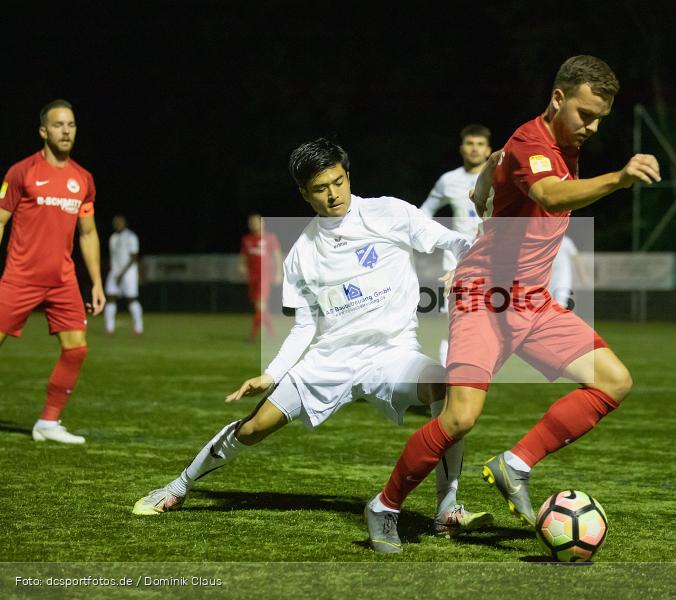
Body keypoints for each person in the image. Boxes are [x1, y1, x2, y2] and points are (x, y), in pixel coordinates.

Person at [363, 55, 661, 552]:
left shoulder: (550, 144)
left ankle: (514, 465)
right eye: (584, 114)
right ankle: (385, 506)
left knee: (614, 380)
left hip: (532, 302)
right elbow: (549, 194)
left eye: (600, 119)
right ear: (558, 98)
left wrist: (486, 184)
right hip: (485, 295)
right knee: (459, 418)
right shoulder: (533, 142)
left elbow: (500, 165)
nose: (591, 126)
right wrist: (619, 179)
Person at [133, 139, 492, 543]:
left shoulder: (389, 212)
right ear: (304, 192)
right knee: (253, 430)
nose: (333, 193)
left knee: (445, 387)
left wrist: (467, 267)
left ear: (348, 175)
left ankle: (447, 510)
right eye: (321, 188)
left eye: (338, 181)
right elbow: (305, 325)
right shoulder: (301, 252)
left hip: (392, 354)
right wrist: (271, 374)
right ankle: (178, 487)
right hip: (328, 360)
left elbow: (457, 242)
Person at [0, 99, 105, 444]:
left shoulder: (82, 179)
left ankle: (48, 422)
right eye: (59, 125)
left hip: (62, 280)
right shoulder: (21, 173)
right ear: (44, 131)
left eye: (71, 125)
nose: (66, 131)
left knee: (76, 348)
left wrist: (97, 282)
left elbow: (87, 233)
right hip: (19, 277)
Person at [420, 124, 491, 365]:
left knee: (486, 325)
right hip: (456, 262)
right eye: (470, 143)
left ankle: (470, 377)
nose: (474, 149)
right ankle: (446, 381)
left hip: (491, 261)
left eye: (480, 144)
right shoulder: (449, 180)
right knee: (452, 323)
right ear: (462, 148)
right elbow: (424, 213)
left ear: (488, 149)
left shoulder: (498, 178)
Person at [240, 213, 283, 341]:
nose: (253, 224)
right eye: (251, 222)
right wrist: (242, 266)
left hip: (265, 276)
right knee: (260, 307)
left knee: (260, 305)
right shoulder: (246, 239)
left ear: (262, 223)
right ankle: (271, 335)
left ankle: (253, 336)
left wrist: (278, 273)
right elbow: (244, 256)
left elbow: (277, 256)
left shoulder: (270, 238)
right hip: (252, 277)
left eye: (255, 222)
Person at [104, 214, 143, 335]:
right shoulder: (113, 238)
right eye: (115, 222)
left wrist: (122, 274)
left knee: (131, 299)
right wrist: (116, 272)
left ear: (125, 223)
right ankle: (109, 328)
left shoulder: (131, 237)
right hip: (115, 271)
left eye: (120, 222)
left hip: (128, 272)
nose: (117, 224)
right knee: (110, 297)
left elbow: (133, 257)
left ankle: (138, 327)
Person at [548, 234, 591, 309]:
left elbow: (577, 259)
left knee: (560, 304)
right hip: (549, 281)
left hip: (562, 281)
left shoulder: (566, 241)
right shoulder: (545, 242)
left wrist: (583, 277)